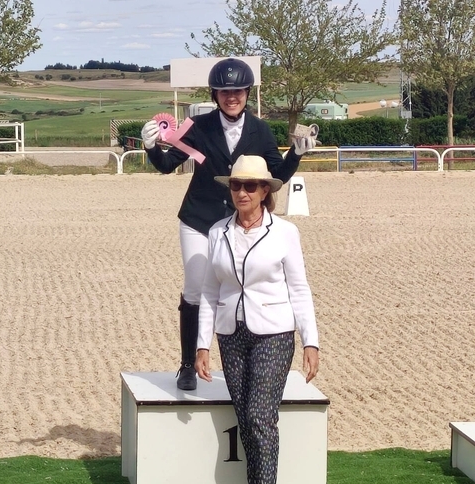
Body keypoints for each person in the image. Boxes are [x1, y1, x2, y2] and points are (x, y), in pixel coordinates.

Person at [140, 57, 316, 391]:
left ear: (247, 92)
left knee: (241, 286)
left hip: (238, 222)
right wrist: (151, 146)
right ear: (215, 94)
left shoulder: (260, 130)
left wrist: (295, 154)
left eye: (237, 91)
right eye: (224, 91)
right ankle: (186, 364)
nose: (231, 97)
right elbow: (167, 165)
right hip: (199, 219)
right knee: (195, 288)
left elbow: (274, 176)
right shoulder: (197, 126)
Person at [194, 154, 319, 484]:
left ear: (265, 190)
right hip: (230, 336)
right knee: (246, 421)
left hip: (274, 335)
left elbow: (300, 288)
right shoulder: (217, 232)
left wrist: (310, 341)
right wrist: (201, 345)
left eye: (250, 186)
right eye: (236, 185)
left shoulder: (285, 232)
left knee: (260, 417)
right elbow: (209, 291)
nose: (242, 193)